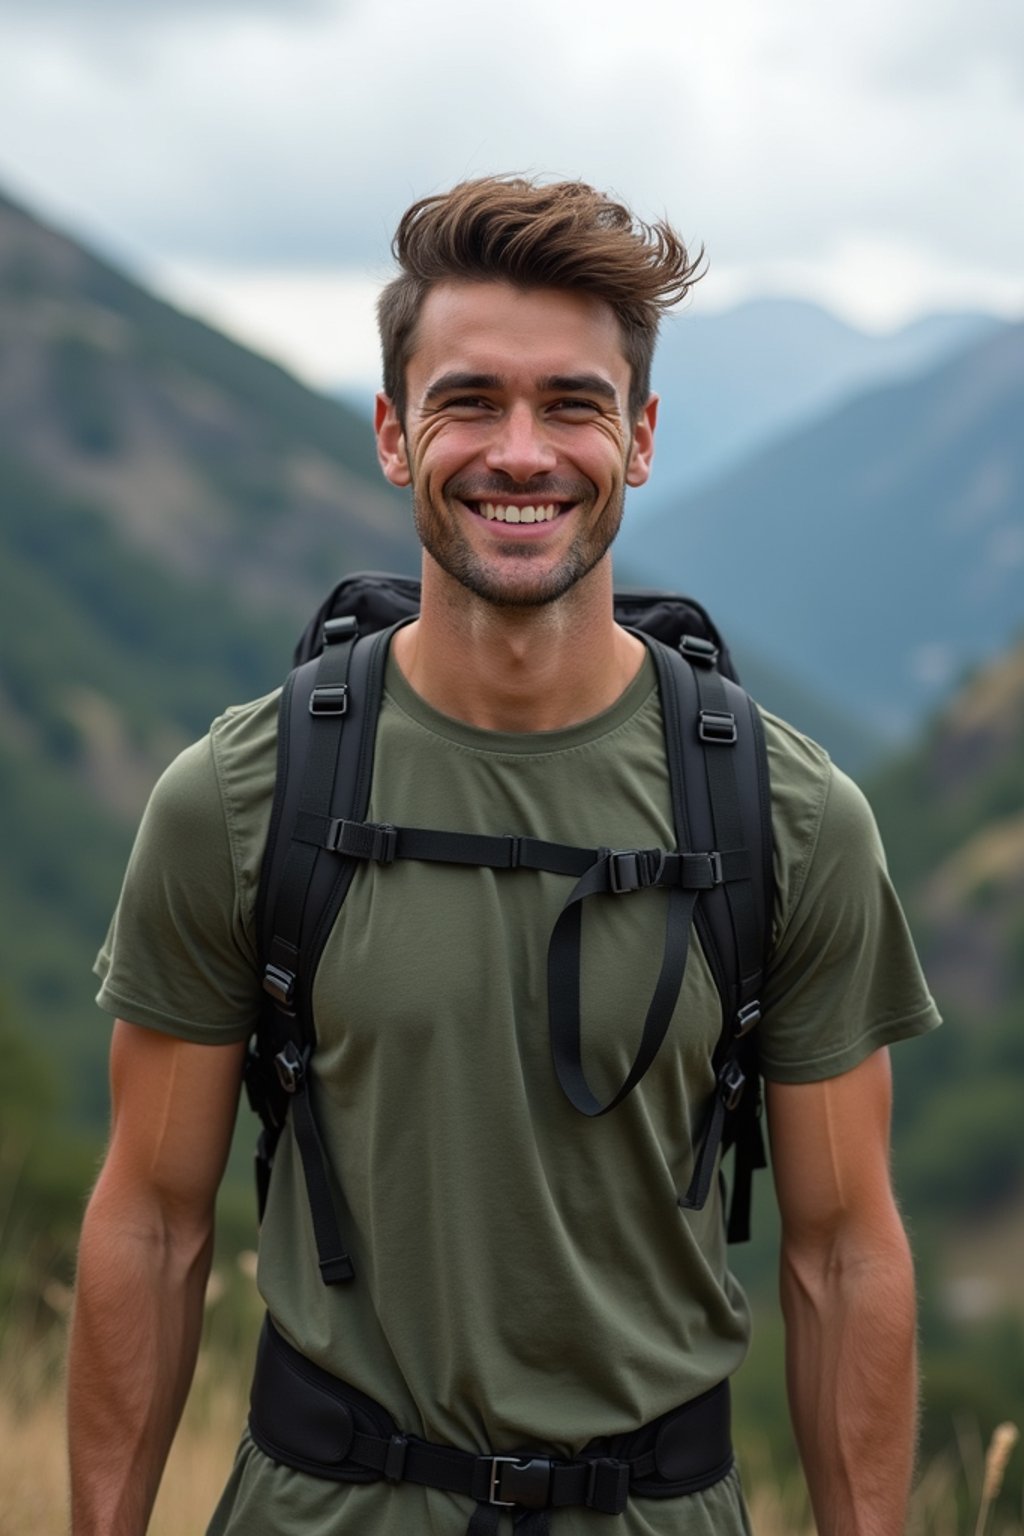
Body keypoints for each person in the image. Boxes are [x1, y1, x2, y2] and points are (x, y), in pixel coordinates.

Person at [68, 176, 941, 1536]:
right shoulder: (242, 798)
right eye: (470, 399)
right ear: (392, 434)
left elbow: (844, 1258)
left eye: (572, 404)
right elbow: (151, 1225)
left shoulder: (784, 814)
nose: (521, 451)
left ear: (641, 437)